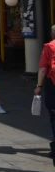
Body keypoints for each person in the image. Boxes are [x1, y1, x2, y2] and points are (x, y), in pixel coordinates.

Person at [35, 25, 55, 163]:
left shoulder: (49, 47)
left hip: (53, 84)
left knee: (54, 116)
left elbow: (43, 69)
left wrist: (39, 86)